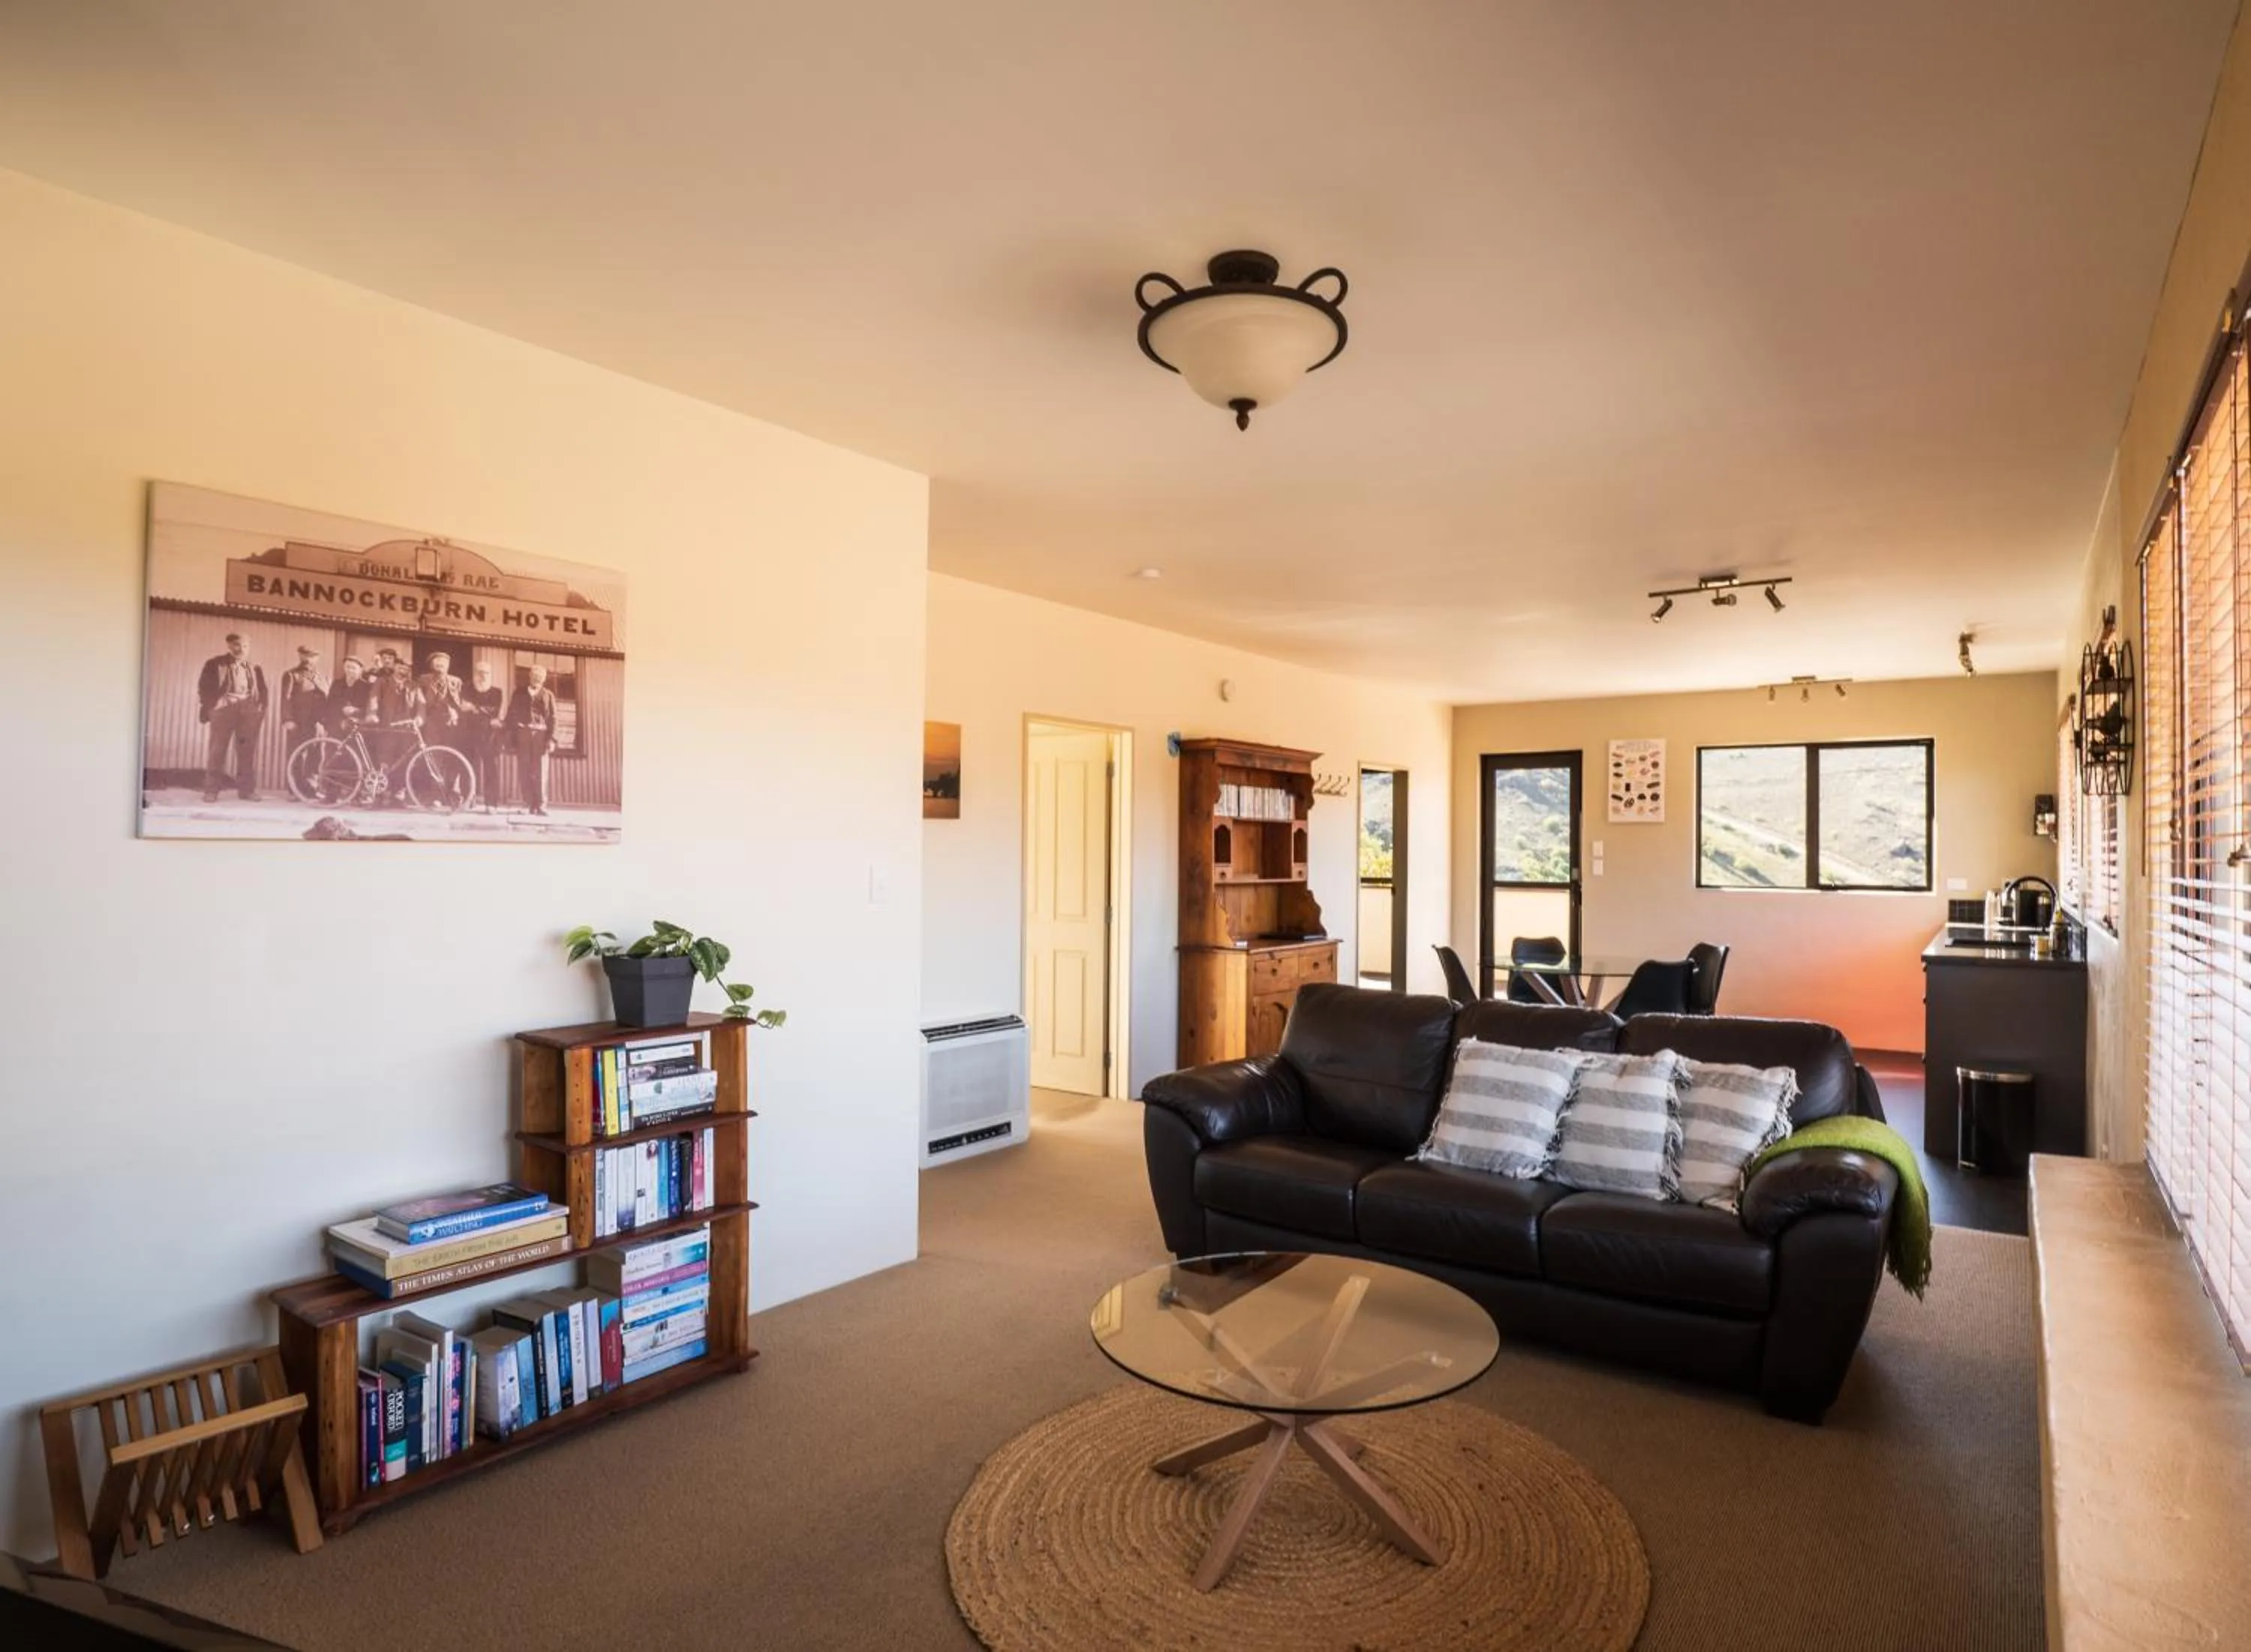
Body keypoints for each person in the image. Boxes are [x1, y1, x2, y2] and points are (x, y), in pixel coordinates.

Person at [194, 632, 267, 803]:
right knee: (217, 750)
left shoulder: (254, 667)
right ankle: (211, 791)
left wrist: (260, 707)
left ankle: (247, 791)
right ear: (229, 645)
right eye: (237, 645)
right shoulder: (215, 664)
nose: (241, 649)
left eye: (245, 646)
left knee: (247, 752)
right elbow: (203, 687)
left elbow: (263, 690)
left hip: (248, 711)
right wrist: (214, 706)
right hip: (224, 709)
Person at [365, 646, 422, 803]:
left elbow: (421, 705)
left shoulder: (414, 686)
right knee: (384, 758)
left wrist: (419, 717)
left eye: (406, 668)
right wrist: (372, 714)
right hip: (387, 727)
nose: (403, 670)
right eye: (400, 667)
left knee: (403, 760)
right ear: (395, 667)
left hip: (406, 730)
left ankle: (399, 792)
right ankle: (380, 792)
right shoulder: (382, 682)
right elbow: (373, 699)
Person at [506, 664, 558, 815]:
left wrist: (552, 739)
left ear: (544, 679)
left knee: (541, 770)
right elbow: (511, 713)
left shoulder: (548, 695)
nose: (537, 678)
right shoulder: (519, 692)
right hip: (523, 734)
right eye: (534, 675)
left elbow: (554, 719)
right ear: (529, 676)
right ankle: (527, 804)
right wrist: (509, 733)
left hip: (541, 736)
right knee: (524, 769)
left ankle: (541, 805)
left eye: (540, 676)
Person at [461, 659, 506, 811]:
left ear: (490, 675)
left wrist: (474, 708)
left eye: (486, 673)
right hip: (468, 733)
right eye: (480, 672)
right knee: (467, 767)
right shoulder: (466, 688)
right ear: (475, 673)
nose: (483, 676)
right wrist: (482, 711)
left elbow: (493, 710)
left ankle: (491, 804)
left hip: (489, 736)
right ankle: (468, 800)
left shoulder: (497, 692)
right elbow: (462, 707)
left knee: (491, 770)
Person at [278, 645, 328, 752]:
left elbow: (327, 699)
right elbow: (286, 699)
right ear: (300, 656)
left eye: (312, 656)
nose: (309, 659)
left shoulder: (322, 677)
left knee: (317, 755)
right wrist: (288, 719)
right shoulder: (292, 675)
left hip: (318, 723)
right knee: (297, 755)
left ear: (317, 658)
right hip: (299, 722)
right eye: (305, 656)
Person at [416, 650, 465, 750]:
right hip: (431, 720)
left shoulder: (456, 681)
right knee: (432, 748)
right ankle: (433, 766)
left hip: (450, 720)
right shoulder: (424, 680)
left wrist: (456, 713)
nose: (440, 664)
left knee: (450, 748)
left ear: (448, 665)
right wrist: (421, 716)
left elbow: (462, 702)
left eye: (444, 662)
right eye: (437, 662)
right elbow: (419, 699)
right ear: (431, 665)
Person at [325, 655, 374, 734]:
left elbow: (370, 709)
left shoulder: (367, 687)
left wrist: (356, 711)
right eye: (348, 667)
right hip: (336, 725)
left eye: (353, 668)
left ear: (360, 670)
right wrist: (341, 710)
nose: (350, 670)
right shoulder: (337, 684)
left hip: (358, 727)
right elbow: (329, 704)